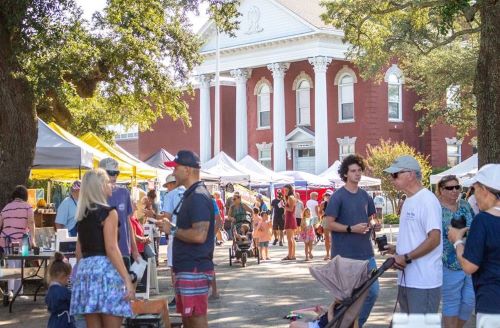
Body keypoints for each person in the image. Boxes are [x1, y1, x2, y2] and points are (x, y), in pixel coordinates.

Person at [70, 168, 134, 327]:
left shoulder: (82, 215)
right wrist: (127, 278)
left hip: (86, 273)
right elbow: (111, 248)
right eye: (108, 182)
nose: (112, 185)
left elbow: (79, 251)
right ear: (99, 186)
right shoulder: (109, 213)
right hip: (105, 272)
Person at [324, 154, 380, 327]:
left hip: (366, 253)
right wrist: (350, 228)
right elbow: (327, 223)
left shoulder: (365, 196)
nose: (357, 174)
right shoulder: (338, 196)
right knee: (346, 298)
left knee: (373, 292)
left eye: (359, 170)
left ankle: (355, 324)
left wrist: (374, 225)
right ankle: (342, 324)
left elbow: (371, 218)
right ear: (346, 174)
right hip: (344, 256)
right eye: (353, 171)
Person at [383, 155, 443, 315]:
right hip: (407, 279)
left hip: (424, 282)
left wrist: (407, 257)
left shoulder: (428, 200)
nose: (391, 178)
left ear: (410, 174)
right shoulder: (409, 200)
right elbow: (417, 237)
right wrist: (397, 249)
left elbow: (434, 238)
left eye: (395, 174)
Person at [164, 150, 215, 328]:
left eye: (176, 168)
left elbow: (200, 235)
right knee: (189, 318)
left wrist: (172, 229)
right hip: (188, 267)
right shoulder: (191, 194)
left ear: (187, 169)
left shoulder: (198, 196)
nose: (173, 173)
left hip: (194, 267)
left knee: (195, 318)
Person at [448, 164, 500, 325]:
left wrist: (457, 241)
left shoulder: (483, 220)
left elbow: (469, 266)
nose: (474, 197)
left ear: (485, 190)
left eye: (475, 189)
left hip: (492, 303)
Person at [436, 175, 475, 328]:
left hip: (470, 261)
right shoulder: (436, 208)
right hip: (448, 263)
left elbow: (476, 225)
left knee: (469, 301)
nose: (454, 191)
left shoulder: (465, 205)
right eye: (449, 188)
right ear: (441, 190)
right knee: (452, 302)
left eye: (457, 187)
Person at [98, 158, 140, 270]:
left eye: (117, 173)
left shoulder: (124, 193)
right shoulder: (94, 195)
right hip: (101, 252)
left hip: (123, 250)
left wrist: (134, 249)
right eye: (111, 173)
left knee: (125, 285)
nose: (114, 176)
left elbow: (128, 222)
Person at [0, 185, 36, 293]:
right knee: (21, 265)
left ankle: (11, 291)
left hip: (6, 240)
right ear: (25, 196)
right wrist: (33, 240)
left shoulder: (6, 207)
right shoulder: (28, 207)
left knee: (11, 265)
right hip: (23, 241)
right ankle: (17, 292)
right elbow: (31, 223)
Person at [158, 173, 185, 307]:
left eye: (167, 185)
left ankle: (178, 296)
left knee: (174, 267)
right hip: (190, 233)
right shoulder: (188, 192)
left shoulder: (170, 195)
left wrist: (161, 225)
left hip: (175, 234)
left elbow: (167, 217)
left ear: (172, 184)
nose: (167, 188)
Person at [45, 252, 74, 328]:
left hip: (53, 321)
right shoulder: (63, 291)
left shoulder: (50, 291)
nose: (68, 281)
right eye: (68, 278)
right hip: (64, 322)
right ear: (63, 276)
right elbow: (75, 300)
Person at [282, 184, 297, 261]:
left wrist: (284, 206)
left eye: (286, 190)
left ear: (290, 190)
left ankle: (290, 255)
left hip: (290, 218)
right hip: (290, 218)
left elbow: (291, 209)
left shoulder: (291, 197)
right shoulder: (290, 197)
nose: (285, 192)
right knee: (291, 238)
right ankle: (292, 255)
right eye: (284, 190)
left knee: (289, 238)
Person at [319, 191, 333, 260]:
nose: (327, 196)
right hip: (326, 219)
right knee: (327, 238)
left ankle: (332, 254)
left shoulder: (335, 203)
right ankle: (327, 254)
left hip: (334, 220)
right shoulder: (323, 203)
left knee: (334, 238)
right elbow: (319, 212)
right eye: (326, 195)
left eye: (329, 195)